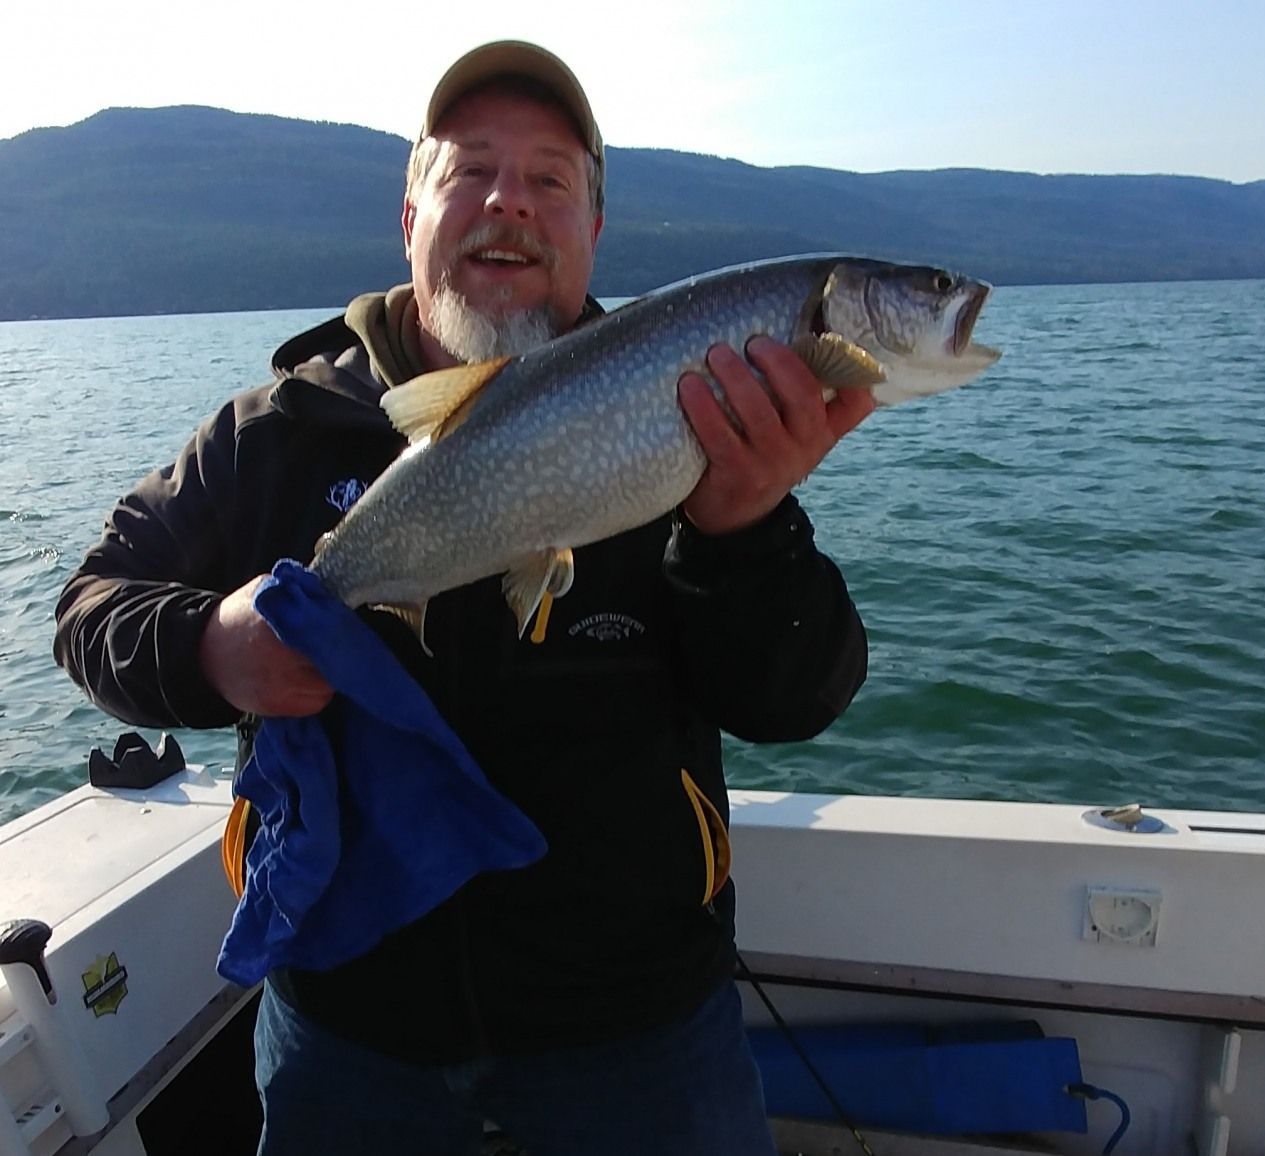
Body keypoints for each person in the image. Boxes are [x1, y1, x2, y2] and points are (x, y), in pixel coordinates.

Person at [54, 40, 874, 1156]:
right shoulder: (273, 436)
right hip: (347, 1046)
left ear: (592, 231)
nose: (509, 203)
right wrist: (211, 647)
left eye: (551, 179)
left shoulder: (688, 406)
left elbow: (795, 697)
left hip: (640, 1046)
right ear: (410, 218)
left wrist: (745, 532)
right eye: (471, 170)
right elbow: (89, 604)